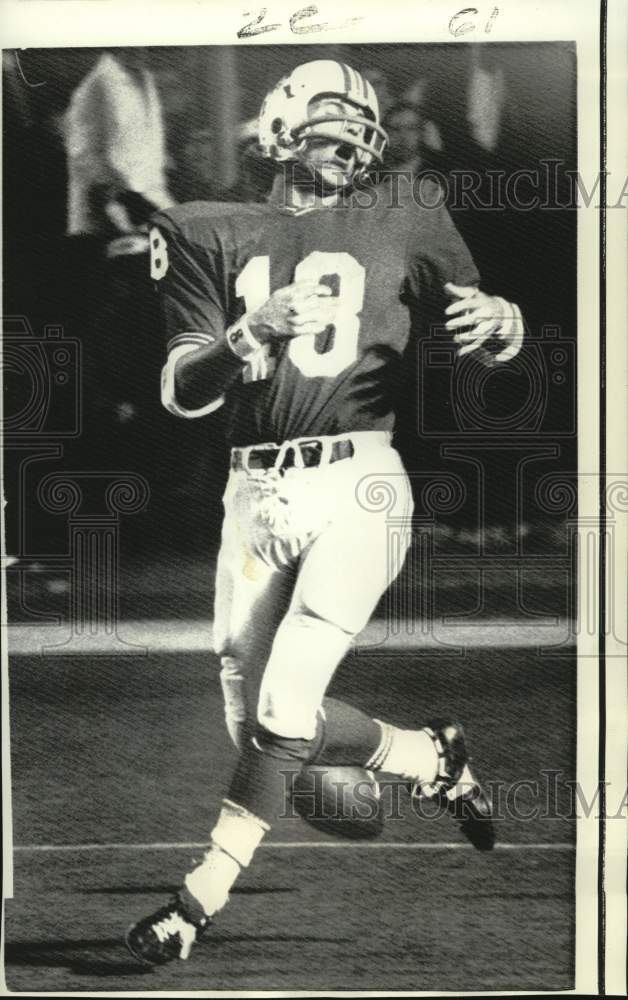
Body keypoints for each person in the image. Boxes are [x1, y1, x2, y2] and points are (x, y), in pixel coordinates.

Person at [125, 59, 523, 966]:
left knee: (286, 701)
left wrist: (506, 323)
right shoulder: (201, 230)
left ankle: (194, 903)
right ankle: (430, 759)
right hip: (252, 488)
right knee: (253, 722)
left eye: (362, 129)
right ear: (279, 126)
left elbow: (492, 332)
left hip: (362, 482)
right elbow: (182, 390)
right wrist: (248, 334)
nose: (351, 145)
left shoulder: (408, 208)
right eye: (333, 122)